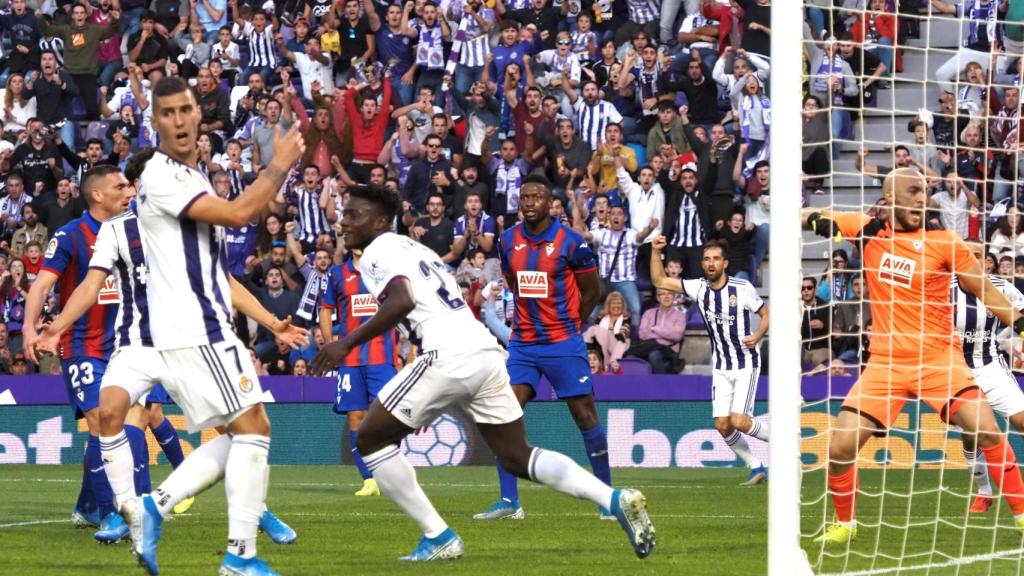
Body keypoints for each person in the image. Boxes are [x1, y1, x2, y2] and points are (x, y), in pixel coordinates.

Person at [310, 183, 654, 561]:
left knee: (370, 440)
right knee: (517, 456)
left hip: (446, 355)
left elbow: (402, 300)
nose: (343, 222)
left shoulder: (376, 252)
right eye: (343, 214)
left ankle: (438, 536)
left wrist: (346, 343)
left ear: (379, 222)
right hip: (484, 352)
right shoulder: (415, 248)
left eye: (353, 214)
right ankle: (613, 498)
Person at [124, 76, 304, 575]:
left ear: (199, 114)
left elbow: (218, 274)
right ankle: (239, 556)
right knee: (254, 431)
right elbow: (240, 213)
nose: (179, 121)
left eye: (185, 110)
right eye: (168, 113)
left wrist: (270, 321)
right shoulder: (162, 175)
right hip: (195, 327)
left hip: (198, 326)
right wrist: (279, 165)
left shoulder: (192, 176)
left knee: (246, 431)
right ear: (154, 121)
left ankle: (155, 506)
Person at [805, 168, 1024, 545]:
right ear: (890, 198)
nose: (922, 198)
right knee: (840, 447)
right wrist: (814, 218)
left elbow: (986, 292)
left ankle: (1020, 516)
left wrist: (1020, 325)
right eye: (913, 191)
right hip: (885, 365)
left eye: (924, 191)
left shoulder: (944, 241)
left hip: (938, 359)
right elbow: (807, 214)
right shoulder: (868, 231)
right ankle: (845, 525)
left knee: (985, 429)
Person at [471, 174, 613, 520]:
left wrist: (573, 325)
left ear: (550, 203)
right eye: (525, 197)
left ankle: (607, 498)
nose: (530, 202)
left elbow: (592, 291)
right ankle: (509, 501)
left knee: (585, 415)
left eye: (536, 197)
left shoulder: (571, 242)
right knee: (503, 413)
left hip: (563, 342)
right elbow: (512, 281)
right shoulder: (507, 240)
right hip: (523, 344)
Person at [21, 164, 135, 542]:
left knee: (114, 427)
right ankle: (109, 516)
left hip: (125, 344)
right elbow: (42, 285)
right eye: (120, 187)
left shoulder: (133, 230)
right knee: (101, 419)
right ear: (97, 195)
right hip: (82, 343)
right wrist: (29, 328)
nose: (129, 192)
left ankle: (87, 504)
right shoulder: (70, 235)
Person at [651, 236, 770, 485]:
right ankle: (755, 466)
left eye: (716, 258)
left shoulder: (742, 287)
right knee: (723, 425)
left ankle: (788, 442)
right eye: (706, 259)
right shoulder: (699, 288)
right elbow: (660, 280)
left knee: (740, 421)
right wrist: (655, 251)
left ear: (725, 263)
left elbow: (765, 314)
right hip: (721, 365)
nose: (711, 263)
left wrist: (758, 335)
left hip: (745, 362)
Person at [952, 241, 1024, 515]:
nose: (975, 260)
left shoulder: (1002, 287)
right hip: (955, 371)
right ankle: (984, 492)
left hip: (990, 366)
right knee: (972, 435)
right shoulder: (941, 289)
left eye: (980, 255)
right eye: (969, 255)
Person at [320, 248, 397, 498]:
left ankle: (389, 474)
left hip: (382, 356)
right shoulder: (337, 273)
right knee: (355, 416)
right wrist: (330, 345)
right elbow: (326, 309)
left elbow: (405, 305)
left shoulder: (387, 269)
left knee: (386, 417)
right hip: (350, 358)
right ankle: (369, 480)